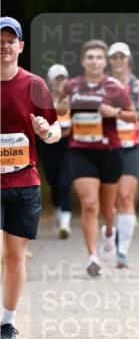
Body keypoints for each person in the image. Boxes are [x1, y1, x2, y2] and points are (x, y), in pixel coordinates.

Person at [1, 16, 61, 339]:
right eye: (0, 41)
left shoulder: (34, 85)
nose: (5, 46)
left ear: (21, 46)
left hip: (24, 183)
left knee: (14, 257)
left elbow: (56, 130)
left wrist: (46, 131)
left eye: (11, 41)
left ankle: (7, 324)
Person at [64, 40, 135, 276]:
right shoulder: (72, 86)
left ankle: (109, 233)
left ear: (105, 62)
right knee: (89, 204)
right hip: (80, 151)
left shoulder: (114, 87)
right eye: (90, 57)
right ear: (83, 61)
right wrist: (60, 109)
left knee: (108, 208)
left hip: (110, 152)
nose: (94, 61)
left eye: (98, 57)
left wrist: (115, 112)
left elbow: (133, 115)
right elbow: (59, 111)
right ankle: (92, 256)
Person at [108, 42, 139, 267]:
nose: (118, 61)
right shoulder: (102, 86)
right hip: (109, 146)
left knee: (126, 196)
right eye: (114, 57)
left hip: (133, 145)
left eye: (121, 57)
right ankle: (112, 235)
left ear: (128, 60)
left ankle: (122, 252)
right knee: (111, 200)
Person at [39, 63, 73, 238]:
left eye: (63, 78)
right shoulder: (42, 100)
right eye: (56, 79)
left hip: (68, 145)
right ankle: (59, 213)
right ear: (50, 81)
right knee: (53, 181)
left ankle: (65, 223)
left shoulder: (74, 99)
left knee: (64, 182)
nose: (60, 82)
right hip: (48, 145)